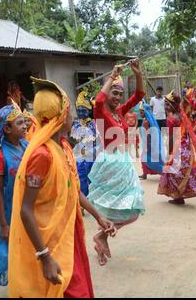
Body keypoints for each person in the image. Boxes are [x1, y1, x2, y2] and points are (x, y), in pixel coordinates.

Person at [8, 77, 116, 298]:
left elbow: (73, 189)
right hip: (49, 244)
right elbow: (25, 210)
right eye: (71, 111)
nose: (75, 116)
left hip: (69, 235)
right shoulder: (41, 156)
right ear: (63, 115)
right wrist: (45, 256)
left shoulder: (64, 147)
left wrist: (98, 216)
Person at [87, 60, 146, 266]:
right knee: (114, 206)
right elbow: (98, 101)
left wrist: (137, 73)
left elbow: (139, 96)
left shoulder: (119, 111)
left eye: (120, 94)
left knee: (132, 209)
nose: (118, 97)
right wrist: (111, 76)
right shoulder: (100, 112)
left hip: (123, 162)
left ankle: (101, 238)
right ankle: (101, 239)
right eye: (114, 93)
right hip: (110, 163)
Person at [0, 104, 28, 286]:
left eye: (25, 122)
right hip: (11, 211)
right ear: (7, 128)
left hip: (29, 208)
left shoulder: (27, 146)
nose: (25, 126)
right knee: (15, 250)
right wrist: (3, 224)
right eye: (20, 123)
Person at [158, 91, 196, 208]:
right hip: (186, 147)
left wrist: (170, 152)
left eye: (166, 104)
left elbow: (172, 137)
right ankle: (180, 197)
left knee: (173, 172)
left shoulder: (171, 118)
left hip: (178, 148)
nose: (164, 106)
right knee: (189, 173)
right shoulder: (180, 115)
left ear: (171, 105)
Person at [70, 91, 101, 197]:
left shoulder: (93, 123)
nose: (80, 112)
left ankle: (94, 197)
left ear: (89, 111)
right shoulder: (75, 123)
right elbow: (74, 138)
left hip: (91, 153)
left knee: (92, 176)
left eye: (83, 110)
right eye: (78, 110)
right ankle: (83, 197)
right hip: (79, 154)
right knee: (80, 176)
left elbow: (96, 139)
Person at [138, 101, 165, 180]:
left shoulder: (146, 122)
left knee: (148, 159)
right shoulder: (150, 120)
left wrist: (147, 146)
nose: (140, 114)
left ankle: (163, 172)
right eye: (140, 112)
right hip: (151, 143)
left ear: (146, 112)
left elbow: (147, 135)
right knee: (153, 159)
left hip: (148, 144)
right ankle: (145, 174)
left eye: (142, 112)